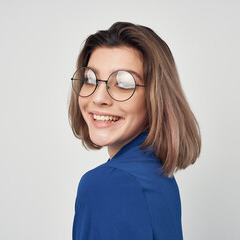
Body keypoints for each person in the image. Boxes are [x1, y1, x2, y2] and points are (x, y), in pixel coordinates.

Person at [68, 22, 201, 240]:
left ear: (155, 98)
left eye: (124, 83)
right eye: (90, 79)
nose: (98, 98)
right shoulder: (156, 174)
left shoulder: (109, 184)